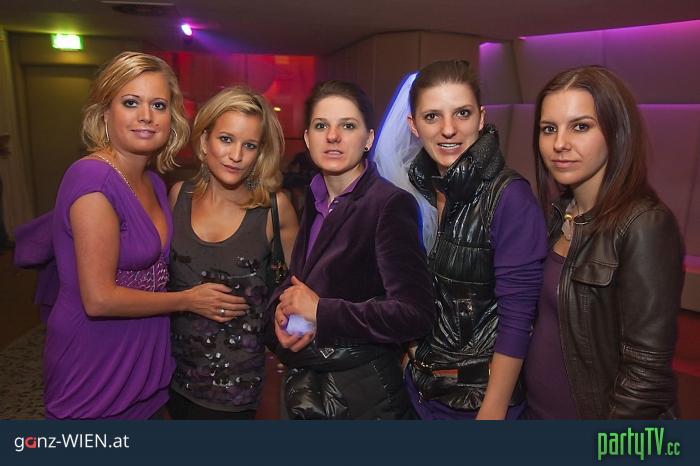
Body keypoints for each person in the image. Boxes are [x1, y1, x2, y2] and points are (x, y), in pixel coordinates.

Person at [42, 51, 246, 419]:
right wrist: (188, 300)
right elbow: (99, 299)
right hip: (95, 360)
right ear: (105, 112)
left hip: (147, 358)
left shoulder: (152, 181)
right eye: (131, 102)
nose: (146, 116)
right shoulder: (92, 179)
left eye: (159, 105)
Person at [376, 59, 547, 420]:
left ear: (481, 118)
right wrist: (410, 354)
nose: (449, 129)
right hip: (418, 390)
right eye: (432, 117)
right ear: (413, 126)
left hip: (476, 402)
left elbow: (519, 316)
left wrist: (494, 408)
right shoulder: (413, 191)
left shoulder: (509, 197)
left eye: (462, 113)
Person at [268, 80, 435, 420]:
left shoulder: (389, 204)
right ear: (307, 138)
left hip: (364, 395)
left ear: (368, 139)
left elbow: (415, 313)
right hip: (315, 387)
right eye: (321, 126)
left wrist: (322, 312)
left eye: (347, 126)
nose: (333, 136)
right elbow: (303, 279)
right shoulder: (316, 196)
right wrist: (279, 314)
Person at [523, 65, 683, 419]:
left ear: (616, 131)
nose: (560, 143)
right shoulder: (558, 216)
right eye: (549, 129)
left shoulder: (645, 224)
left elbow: (646, 378)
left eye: (580, 126)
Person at [167, 86, 298, 419]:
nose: (236, 155)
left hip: (237, 388)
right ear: (204, 141)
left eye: (249, 145)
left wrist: (293, 340)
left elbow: (299, 288)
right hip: (170, 376)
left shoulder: (274, 208)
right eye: (226, 139)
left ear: (260, 153)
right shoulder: (178, 196)